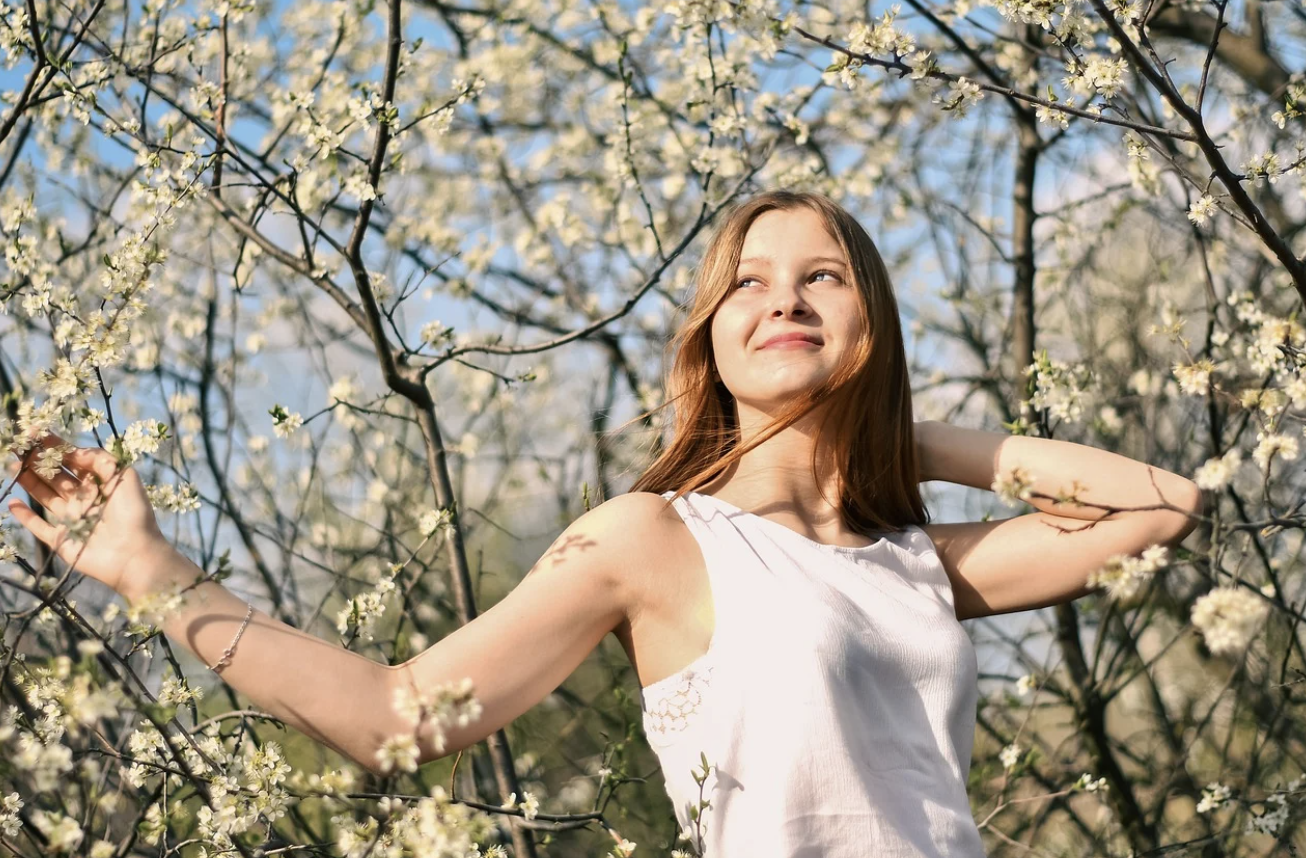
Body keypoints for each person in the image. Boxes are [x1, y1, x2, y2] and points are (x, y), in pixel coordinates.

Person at [7, 190, 1202, 856]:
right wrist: (151, 572)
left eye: (822, 277)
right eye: (747, 278)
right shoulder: (651, 539)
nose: (782, 293)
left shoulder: (911, 563)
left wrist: (889, 425)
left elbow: (1163, 505)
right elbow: (396, 720)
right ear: (710, 336)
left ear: (869, 326)